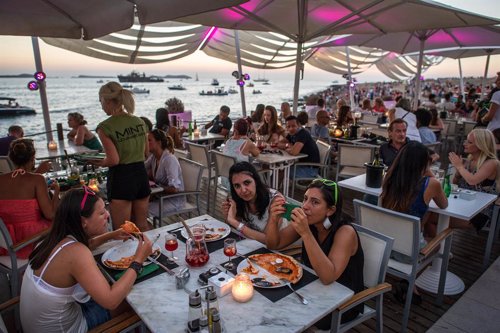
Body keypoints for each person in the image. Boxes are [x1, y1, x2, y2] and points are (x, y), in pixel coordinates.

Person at [20, 187, 153, 332]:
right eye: (102, 213)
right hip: (68, 328)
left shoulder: (52, 239)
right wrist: (138, 260)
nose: (108, 215)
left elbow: (84, 245)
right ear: (83, 221)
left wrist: (111, 235)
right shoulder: (77, 253)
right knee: (138, 302)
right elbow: (111, 300)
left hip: (43, 324)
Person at [266, 179, 364, 330]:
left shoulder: (345, 232)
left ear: (330, 210)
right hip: (312, 288)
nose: (305, 206)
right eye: (305, 199)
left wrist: (305, 233)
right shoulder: (310, 222)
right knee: (271, 298)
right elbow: (274, 244)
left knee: (283, 313)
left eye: (315, 202)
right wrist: (273, 220)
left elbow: (328, 277)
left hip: (343, 301)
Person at [381, 141, 448, 303]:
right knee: (438, 244)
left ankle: (406, 282)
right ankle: (408, 280)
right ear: (423, 163)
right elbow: (443, 204)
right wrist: (428, 171)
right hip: (408, 253)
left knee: (423, 220)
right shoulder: (431, 184)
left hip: (384, 246)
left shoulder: (388, 179)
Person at [94, 82, 150, 231]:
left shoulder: (105, 127)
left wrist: (99, 162)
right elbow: (146, 153)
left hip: (122, 178)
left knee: (123, 231)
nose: (101, 106)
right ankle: (149, 253)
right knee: (142, 225)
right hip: (140, 175)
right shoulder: (139, 121)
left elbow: (114, 160)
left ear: (107, 100)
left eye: (100, 101)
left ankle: (129, 255)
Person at [0, 139, 59, 259]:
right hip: (30, 240)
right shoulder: (37, 179)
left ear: (11, 158)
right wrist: (57, 190)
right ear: (33, 158)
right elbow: (50, 214)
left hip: (6, 240)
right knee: (66, 221)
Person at [222, 162, 287, 244]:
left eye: (247, 183)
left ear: (256, 181)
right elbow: (234, 231)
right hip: (253, 246)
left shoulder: (276, 200)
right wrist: (228, 217)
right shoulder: (237, 199)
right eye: (237, 186)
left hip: (283, 249)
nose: (243, 190)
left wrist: (234, 222)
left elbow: (267, 240)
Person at [448, 129, 500, 233]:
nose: (465, 144)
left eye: (470, 142)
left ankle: (435, 246)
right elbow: (455, 185)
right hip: (463, 205)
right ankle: (436, 246)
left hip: (478, 213)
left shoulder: (492, 163)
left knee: (433, 218)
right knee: (431, 216)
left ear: (481, 145)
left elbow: (472, 181)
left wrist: (459, 166)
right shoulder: (470, 160)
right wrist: (458, 174)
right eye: (466, 140)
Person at [145, 129, 185, 214]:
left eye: (149, 140)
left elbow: (175, 189)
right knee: (136, 206)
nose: (146, 143)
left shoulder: (169, 160)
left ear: (159, 143)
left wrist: (158, 188)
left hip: (173, 200)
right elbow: (142, 169)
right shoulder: (154, 157)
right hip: (160, 197)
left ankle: (148, 227)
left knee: (140, 212)